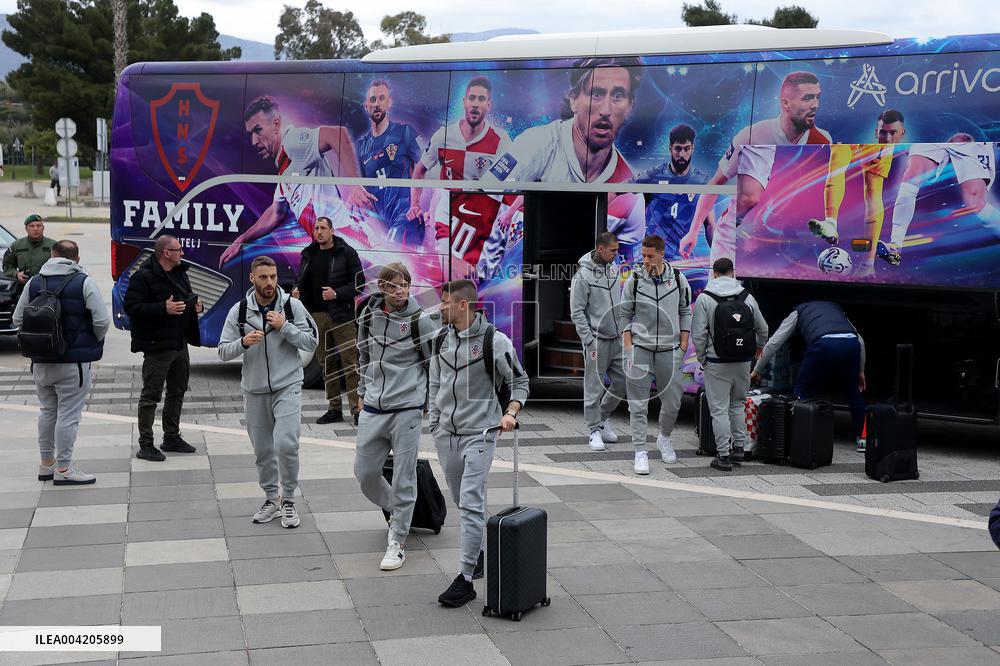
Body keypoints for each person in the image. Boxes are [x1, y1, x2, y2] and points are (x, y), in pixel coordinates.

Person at [429, 280, 529, 608]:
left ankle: (465, 578)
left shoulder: (494, 341)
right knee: (462, 501)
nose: (440, 307)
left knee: (471, 502)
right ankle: (479, 554)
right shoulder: (440, 338)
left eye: (445, 302)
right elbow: (434, 383)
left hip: (480, 435)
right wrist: (435, 424)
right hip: (447, 435)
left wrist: (510, 412)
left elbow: (519, 381)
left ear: (463, 305)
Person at [483, 57, 646, 250]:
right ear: (574, 100)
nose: (605, 109)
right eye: (596, 94)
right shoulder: (535, 144)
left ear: (630, 106)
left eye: (618, 96)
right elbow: (478, 200)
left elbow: (628, 258)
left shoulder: (631, 195)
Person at [681, 71, 832, 266]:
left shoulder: (822, 140)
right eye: (807, 98)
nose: (815, 105)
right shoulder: (753, 135)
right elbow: (715, 183)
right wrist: (693, 231)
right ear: (786, 103)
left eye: (818, 97)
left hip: (779, 241)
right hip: (732, 241)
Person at [218, 256, 318, 529]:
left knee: (286, 444)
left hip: (288, 385)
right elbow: (223, 350)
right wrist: (243, 342)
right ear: (252, 278)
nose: (270, 282)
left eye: (273, 276)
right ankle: (272, 499)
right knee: (262, 450)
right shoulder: (239, 311)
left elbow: (312, 341)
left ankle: (289, 500)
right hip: (254, 389)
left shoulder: (292, 306)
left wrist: (285, 327)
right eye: (263, 277)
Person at [354, 262, 436, 571]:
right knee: (364, 473)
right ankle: (402, 512)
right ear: (382, 287)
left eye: (404, 285)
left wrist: (426, 403)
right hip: (374, 406)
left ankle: (398, 540)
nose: (400, 291)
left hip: (407, 408)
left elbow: (434, 364)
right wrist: (362, 392)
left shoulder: (419, 321)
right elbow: (363, 355)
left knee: (404, 477)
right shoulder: (368, 315)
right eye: (393, 285)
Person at [219, 95, 368, 266]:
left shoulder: (292, 142)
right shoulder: (285, 172)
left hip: (346, 244)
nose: (254, 141)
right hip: (333, 249)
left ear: (276, 125)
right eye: (251, 133)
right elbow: (275, 213)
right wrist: (242, 239)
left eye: (258, 130)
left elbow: (337, 134)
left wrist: (355, 185)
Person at [13, 240, 109, 484]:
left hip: (41, 361)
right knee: (68, 415)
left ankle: (47, 464)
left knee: (47, 411)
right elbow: (101, 321)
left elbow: (17, 319)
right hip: (73, 364)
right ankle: (64, 468)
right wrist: (90, 341)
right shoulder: (84, 282)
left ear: (51, 256)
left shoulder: (35, 282)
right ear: (77, 259)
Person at [412, 76, 515, 280]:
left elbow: (512, 183)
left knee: (472, 281)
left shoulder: (501, 141)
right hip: (446, 215)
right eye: (472, 98)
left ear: (488, 104)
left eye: (481, 99)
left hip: (477, 222)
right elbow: (419, 171)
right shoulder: (443, 136)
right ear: (464, 102)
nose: (475, 104)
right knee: (446, 276)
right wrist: (415, 204)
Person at [124, 234, 202, 461]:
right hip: (157, 345)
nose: (183, 253)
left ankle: (171, 437)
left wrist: (195, 305)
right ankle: (146, 444)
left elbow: (185, 298)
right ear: (166, 253)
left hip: (179, 342)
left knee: (178, 390)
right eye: (179, 250)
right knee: (151, 395)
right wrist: (162, 308)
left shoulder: (179, 273)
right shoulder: (143, 277)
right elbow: (131, 307)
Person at [752, 300, 867, 451]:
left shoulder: (798, 312)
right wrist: (860, 371)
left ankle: (801, 437)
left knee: (802, 391)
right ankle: (863, 438)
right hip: (851, 344)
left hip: (822, 344)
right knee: (854, 393)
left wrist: (757, 370)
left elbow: (774, 342)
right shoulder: (838, 310)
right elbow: (860, 341)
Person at [621, 235, 692, 475]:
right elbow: (624, 314)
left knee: (673, 402)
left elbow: (685, 311)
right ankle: (640, 451)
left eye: (650, 256)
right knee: (637, 404)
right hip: (640, 349)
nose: (645, 260)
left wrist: (683, 345)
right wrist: (629, 347)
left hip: (670, 350)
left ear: (661, 254)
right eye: (643, 255)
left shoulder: (678, 279)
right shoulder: (635, 280)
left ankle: (665, 437)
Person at [691, 258, 769, 471]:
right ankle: (739, 449)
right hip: (742, 361)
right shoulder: (747, 297)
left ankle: (723, 455)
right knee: (737, 405)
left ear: (714, 274)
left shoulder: (705, 298)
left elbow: (698, 334)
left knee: (719, 410)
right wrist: (757, 347)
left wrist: (702, 358)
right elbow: (763, 328)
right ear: (733, 273)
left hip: (716, 361)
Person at [809, 109, 907, 276]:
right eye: (883, 132)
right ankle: (831, 223)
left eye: (893, 133)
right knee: (838, 168)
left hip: (860, 135)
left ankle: (867, 264)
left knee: (872, 192)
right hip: (850, 131)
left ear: (902, 132)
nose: (888, 137)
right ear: (876, 131)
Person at [882, 134, 1000, 266]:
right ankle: (895, 248)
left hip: (969, 136)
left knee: (974, 200)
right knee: (911, 177)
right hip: (935, 131)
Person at [290, 216, 364, 425]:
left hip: (342, 316)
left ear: (332, 230)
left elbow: (358, 284)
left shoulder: (347, 253)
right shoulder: (309, 254)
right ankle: (334, 409)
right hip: (317, 317)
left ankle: (357, 410)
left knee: (350, 363)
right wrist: (298, 292)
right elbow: (302, 280)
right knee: (326, 364)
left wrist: (337, 294)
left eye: (323, 228)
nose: (319, 232)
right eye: (316, 228)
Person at [569, 232, 626, 451]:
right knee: (594, 388)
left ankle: (602, 417)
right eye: (613, 250)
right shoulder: (582, 276)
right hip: (597, 341)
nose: (616, 254)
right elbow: (576, 312)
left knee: (624, 381)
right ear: (600, 249)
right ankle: (593, 430)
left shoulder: (613, 268)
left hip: (616, 338)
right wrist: (589, 340)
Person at [353, 79, 424, 245]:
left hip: (405, 215)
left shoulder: (405, 132)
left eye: (381, 98)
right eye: (372, 100)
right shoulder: (360, 146)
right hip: (380, 225)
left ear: (389, 102)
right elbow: (358, 187)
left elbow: (424, 168)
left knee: (392, 253)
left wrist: (417, 204)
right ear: (366, 106)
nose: (377, 104)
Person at [636, 123, 714, 261]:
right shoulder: (653, 176)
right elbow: (618, 191)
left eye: (687, 149)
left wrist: (717, 257)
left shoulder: (703, 181)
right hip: (654, 257)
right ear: (670, 148)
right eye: (678, 149)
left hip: (683, 259)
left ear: (693, 148)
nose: (682, 154)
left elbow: (709, 224)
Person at [3, 214, 55, 297]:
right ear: (26, 228)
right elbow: (7, 265)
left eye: (38, 226)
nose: (35, 229)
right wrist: (16, 274)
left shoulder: (53, 245)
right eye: (32, 226)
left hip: (48, 289)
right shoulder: (17, 245)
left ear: (43, 228)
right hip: (24, 289)